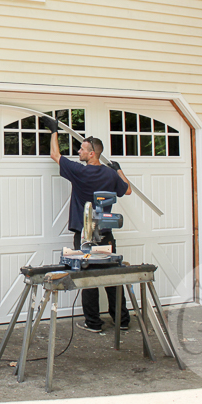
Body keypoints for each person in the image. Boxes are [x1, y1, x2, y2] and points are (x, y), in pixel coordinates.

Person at [44, 116, 132, 333]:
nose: (79, 152)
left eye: (82, 149)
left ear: (92, 154)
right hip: (106, 233)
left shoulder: (81, 172)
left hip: (84, 234)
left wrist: (54, 131)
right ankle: (122, 320)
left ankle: (93, 322)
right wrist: (118, 169)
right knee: (112, 275)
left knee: (88, 276)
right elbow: (127, 190)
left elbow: (55, 155)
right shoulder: (110, 174)